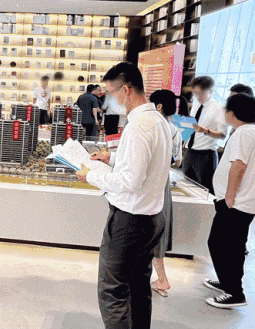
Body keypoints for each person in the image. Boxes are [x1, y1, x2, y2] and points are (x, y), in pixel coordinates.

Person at [75, 62, 171, 329]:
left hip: (129, 222)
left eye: (111, 93)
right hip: (152, 218)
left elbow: (129, 181)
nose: (110, 99)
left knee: (113, 292)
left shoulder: (139, 126)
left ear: (126, 90)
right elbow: (145, 164)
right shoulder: (157, 121)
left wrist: (90, 176)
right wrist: (112, 158)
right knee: (138, 286)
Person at [204, 93, 255, 309]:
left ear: (233, 113)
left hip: (236, 203)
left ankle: (234, 292)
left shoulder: (244, 133)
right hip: (238, 202)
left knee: (226, 246)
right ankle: (226, 281)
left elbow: (238, 166)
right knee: (224, 244)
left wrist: (229, 196)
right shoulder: (248, 131)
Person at [148, 89, 187, 297]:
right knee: (158, 231)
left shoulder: (153, 126)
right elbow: (178, 161)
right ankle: (160, 278)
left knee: (150, 230)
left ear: (159, 106)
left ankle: (162, 279)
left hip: (152, 183)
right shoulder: (175, 130)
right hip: (164, 181)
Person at [183, 76, 228, 194]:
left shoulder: (218, 109)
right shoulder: (196, 105)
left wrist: (206, 131)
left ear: (210, 91)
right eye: (195, 93)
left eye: (200, 93)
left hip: (205, 156)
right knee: (187, 187)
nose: (198, 97)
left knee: (205, 191)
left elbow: (223, 135)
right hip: (190, 152)